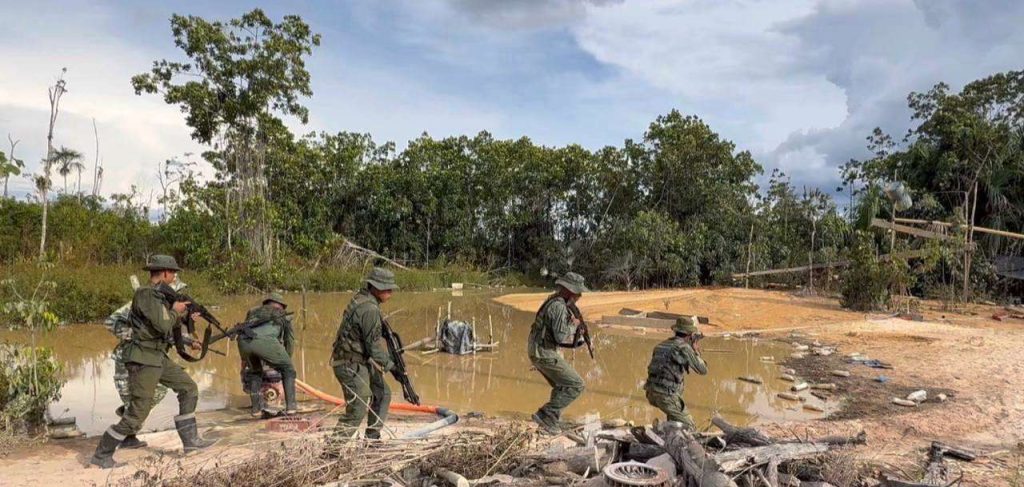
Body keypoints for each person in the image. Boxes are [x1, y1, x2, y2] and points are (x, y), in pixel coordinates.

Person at [90, 255, 216, 468]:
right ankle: (101, 455)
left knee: (188, 388)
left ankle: (191, 442)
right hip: (143, 359)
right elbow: (164, 325)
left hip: (157, 357)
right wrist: (177, 312)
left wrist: (186, 318)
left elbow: (165, 325)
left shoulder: (159, 298)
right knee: (137, 414)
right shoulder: (146, 294)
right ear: (165, 272)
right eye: (173, 273)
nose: (175, 276)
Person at [102, 278, 189, 449]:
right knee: (137, 402)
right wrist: (136, 336)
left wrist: (186, 340)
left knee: (154, 394)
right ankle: (116, 443)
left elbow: (159, 330)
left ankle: (128, 433)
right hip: (131, 358)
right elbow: (110, 322)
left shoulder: (162, 306)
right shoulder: (144, 301)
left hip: (151, 357)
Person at [327, 267, 398, 443]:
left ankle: (372, 439)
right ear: (375, 288)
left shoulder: (362, 299)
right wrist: (393, 367)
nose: (390, 293)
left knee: (383, 393)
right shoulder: (369, 309)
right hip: (349, 363)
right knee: (357, 408)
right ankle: (332, 450)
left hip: (359, 361)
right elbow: (373, 348)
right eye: (387, 289)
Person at [528, 271, 589, 435]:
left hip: (539, 350)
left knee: (562, 385)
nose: (580, 296)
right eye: (578, 292)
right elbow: (561, 336)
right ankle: (546, 414)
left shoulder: (553, 300)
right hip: (544, 352)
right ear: (570, 291)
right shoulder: (558, 306)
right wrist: (574, 325)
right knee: (577, 384)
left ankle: (552, 419)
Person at [238, 292, 297, 417]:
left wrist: (244, 360)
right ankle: (291, 408)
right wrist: (286, 360)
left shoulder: (252, 312)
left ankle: (256, 410)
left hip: (243, 342)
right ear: (280, 306)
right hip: (264, 341)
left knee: (255, 371)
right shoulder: (283, 315)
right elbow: (290, 341)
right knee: (288, 369)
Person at [643, 316, 708, 430]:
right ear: (690, 335)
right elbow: (703, 370)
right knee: (689, 426)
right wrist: (695, 350)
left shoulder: (661, 345)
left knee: (674, 419)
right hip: (666, 395)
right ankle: (660, 427)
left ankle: (668, 436)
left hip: (651, 392)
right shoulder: (684, 348)